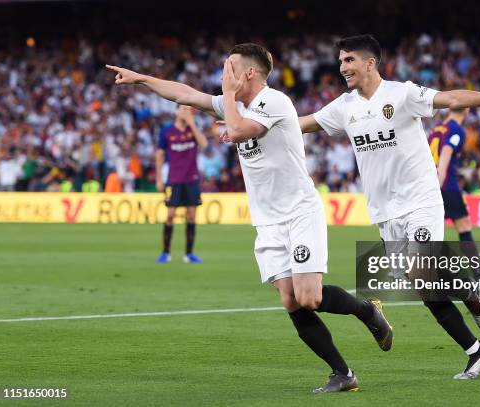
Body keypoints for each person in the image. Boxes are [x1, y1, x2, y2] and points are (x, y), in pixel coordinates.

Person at [106, 43, 393, 393]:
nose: (223, 75)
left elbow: (240, 131)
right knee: (290, 300)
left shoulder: (274, 102)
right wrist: (141, 79)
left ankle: (367, 312)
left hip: (299, 212)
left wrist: (227, 97)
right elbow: (186, 94)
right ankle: (342, 373)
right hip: (267, 220)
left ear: (249, 74)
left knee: (309, 297)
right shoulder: (235, 103)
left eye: (229, 68)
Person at [299, 34, 480, 380]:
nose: (342, 67)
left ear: (370, 62)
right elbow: (300, 125)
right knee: (425, 285)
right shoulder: (344, 106)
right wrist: (252, 129)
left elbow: (451, 97)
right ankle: (477, 351)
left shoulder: (402, 94)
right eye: (340, 61)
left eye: (348, 60)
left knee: (418, 268)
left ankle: (470, 291)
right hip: (385, 211)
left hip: (420, 199)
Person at [428, 108, 480, 280]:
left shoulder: (436, 129)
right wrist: (439, 182)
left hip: (430, 183)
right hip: (446, 185)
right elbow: (446, 152)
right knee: (463, 225)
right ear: (466, 111)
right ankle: (477, 274)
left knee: (429, 230)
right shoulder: (456, 130)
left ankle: (412, 269)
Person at [155, 105, 208, 263]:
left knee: (191, 215)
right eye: (183, 109)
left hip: (191, 179)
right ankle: (165, 252)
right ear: (176, 111)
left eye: (188, 109)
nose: (186, 112)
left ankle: (189, 254)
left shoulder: (193, 129)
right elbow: (159, 154)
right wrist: (159, 178)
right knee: (170, 215)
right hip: (173, 179)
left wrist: (192, 124)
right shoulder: (167, 131)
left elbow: (204, 145)